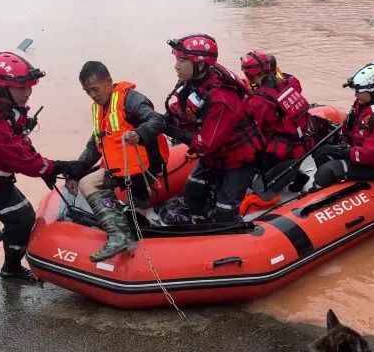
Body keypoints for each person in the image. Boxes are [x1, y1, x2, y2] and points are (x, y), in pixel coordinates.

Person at [0, 51, 81, 317]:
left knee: (22, 218)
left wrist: (44, 167)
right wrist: (55, 167)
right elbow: (17, 155)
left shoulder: (0, 100)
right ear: (1, 87)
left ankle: (11, 269)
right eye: (22, 88)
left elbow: (18, 140)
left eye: (29, 86)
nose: (28, 92)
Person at [64, 61, 168, 262]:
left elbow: (157, 121)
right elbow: (94, 146)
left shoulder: (131, 100)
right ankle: (127, 232)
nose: (93, 95)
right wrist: (74, 173)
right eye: (87, 92)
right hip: (121, 169)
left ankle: (119, 236)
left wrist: (139, 133)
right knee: (88, 181)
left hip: (141, 169)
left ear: (109, 81)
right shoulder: (100, 108)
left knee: (89, 184)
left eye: (95, 89)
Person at [164, 34, 261, 223]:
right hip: (215, 156)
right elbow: (182, 110)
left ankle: (230, 235)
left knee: (225, 212)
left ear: (200, 65)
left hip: (236, 160)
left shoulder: (221, 98)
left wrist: (171, 130)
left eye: (182, 61)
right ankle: (202, 226)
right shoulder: (198, 81)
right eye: (176, 59)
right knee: (192, 192)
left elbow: (206, 144)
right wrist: (160, 119)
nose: (176, 65)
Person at [312, 63, 374, 188]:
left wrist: (340, 151)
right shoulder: (366, 103)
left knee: (328, 171)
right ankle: (335, 185)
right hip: (359, 150)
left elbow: (367, 155)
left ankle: (314, 195)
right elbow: (351, 128)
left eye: (359, 92)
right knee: (320, 151)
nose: (355, 95)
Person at [241, 50, 314, 192]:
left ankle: (264, 181)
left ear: (250, 74)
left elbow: (251, 129)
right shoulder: (290, 83)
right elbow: (292, 83)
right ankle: (297, 176)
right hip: (305, 140)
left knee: (248, 150)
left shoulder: (259, 101)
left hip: (285, 148)